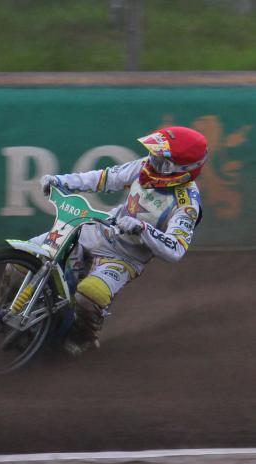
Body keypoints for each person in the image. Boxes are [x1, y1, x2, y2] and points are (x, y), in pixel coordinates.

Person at [37, 126, 207, 356]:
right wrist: (61, 181)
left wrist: (143, 229)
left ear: (184, 171)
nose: (152, 162)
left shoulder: (187, 205)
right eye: (153, 155)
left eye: (161, 161)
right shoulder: (144, 166)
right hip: (96, 230)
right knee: (30, 254)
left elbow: (176, 249)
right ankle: (1, 314)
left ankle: (82, 337)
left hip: (125, 257)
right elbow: (106, 178)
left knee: (90, 294)